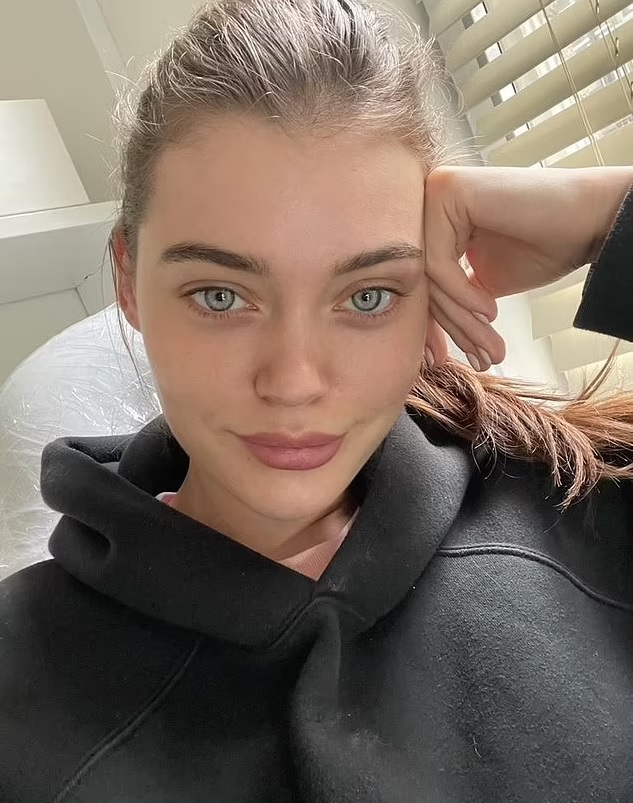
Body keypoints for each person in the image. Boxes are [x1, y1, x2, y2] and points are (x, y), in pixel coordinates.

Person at [1, 0, 632, 800]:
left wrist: (609, 220)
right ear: (128, 279)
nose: (294, 381)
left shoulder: (586, 503)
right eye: (221, 296)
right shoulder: (20, 683)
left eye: (367, 296)